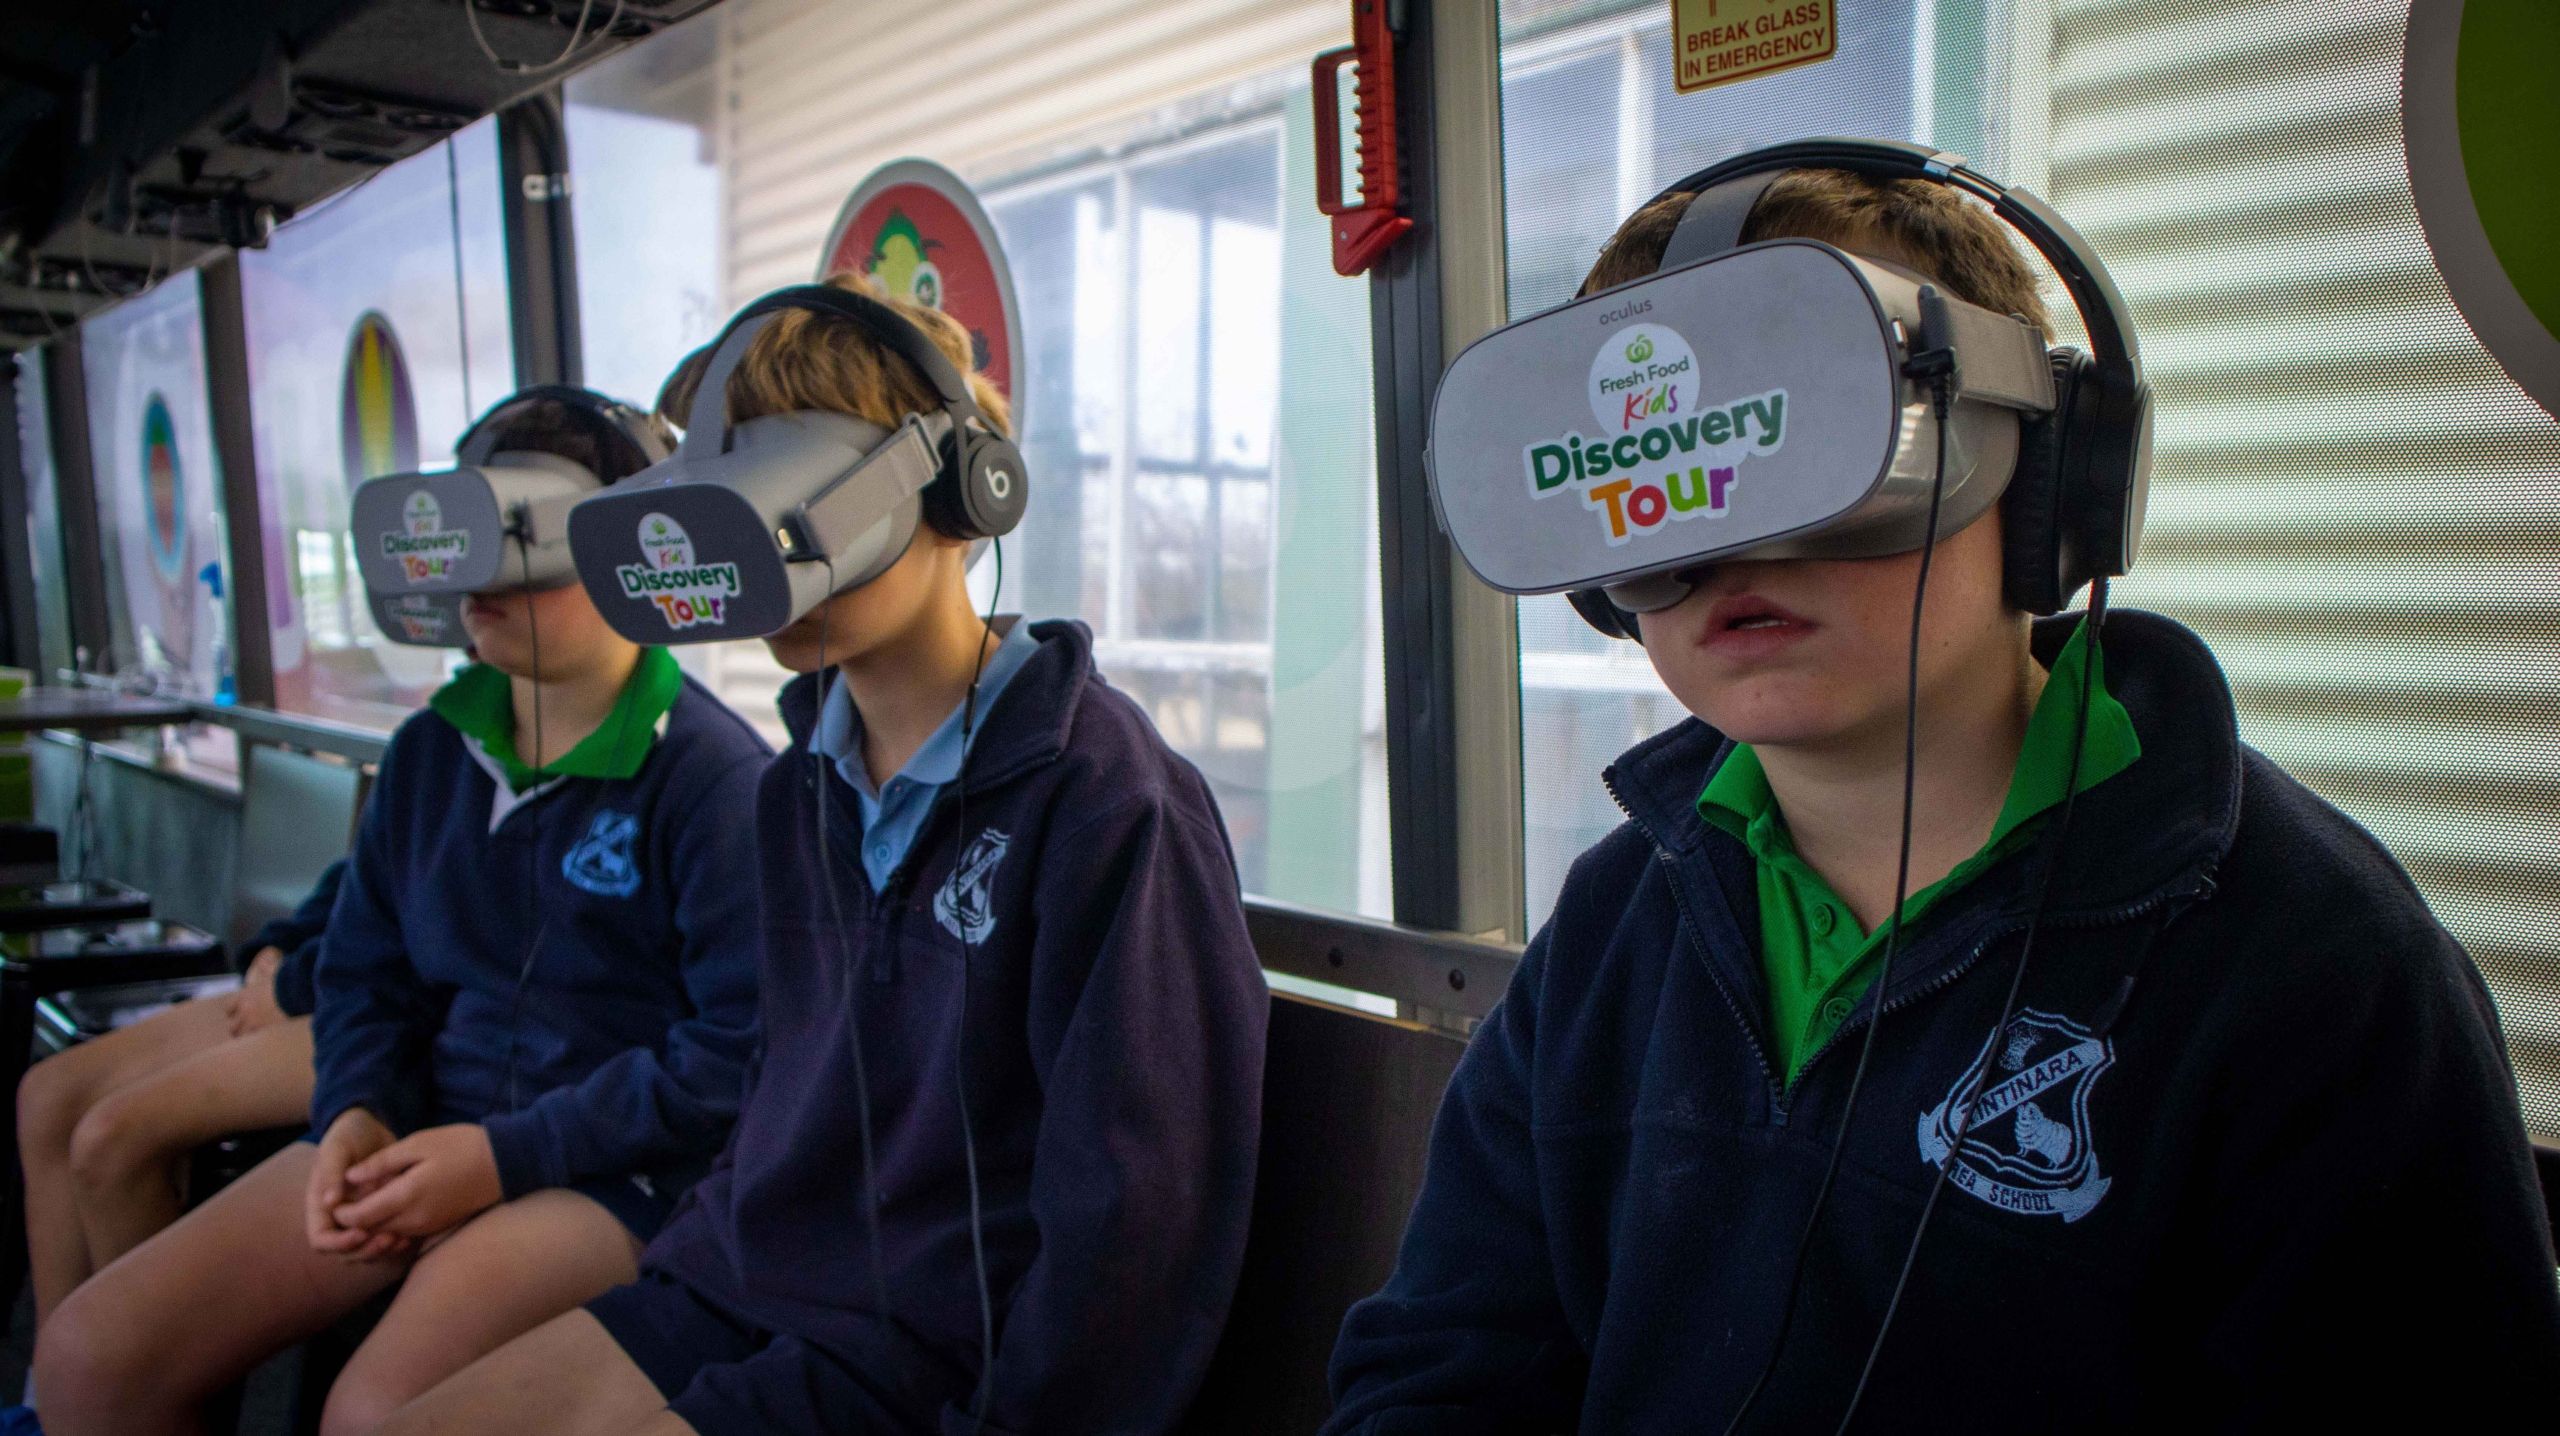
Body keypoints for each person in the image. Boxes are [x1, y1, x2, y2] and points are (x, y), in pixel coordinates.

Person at [1322, 167, 2560, 1431]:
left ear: (2048, 474)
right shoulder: (1620, 912)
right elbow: (1443, 1364)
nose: (1728, 538)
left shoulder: (2315, 970)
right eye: (1660, 468)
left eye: (1821, 437)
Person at [374, 273, 1270, 1435]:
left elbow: (1138, 1222)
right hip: (743, 1277)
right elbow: (777, 1083)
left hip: (924, 1351)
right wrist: (695, 1250)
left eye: (791, 499)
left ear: (960, 489)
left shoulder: (1103, 797)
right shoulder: (796, 787)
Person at [31, 391, 773, 1436]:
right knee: (91, 1352)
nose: (482, 578)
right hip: (426, 1126)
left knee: (376, 1413)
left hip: (612, 1171)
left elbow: (734, 1055)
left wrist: (499, 1158)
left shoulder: (713, 780)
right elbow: (363, 970)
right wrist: (357, 1108)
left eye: (528, 546)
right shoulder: (430, 752)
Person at [15, 859, 342, 1330]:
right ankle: (49, 1370)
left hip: (375, 1002)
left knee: (112, 1139)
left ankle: (120, 1367)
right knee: (48, 1096)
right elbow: (369, 870)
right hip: (326, 968)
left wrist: (291, 985)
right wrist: (280, 947)